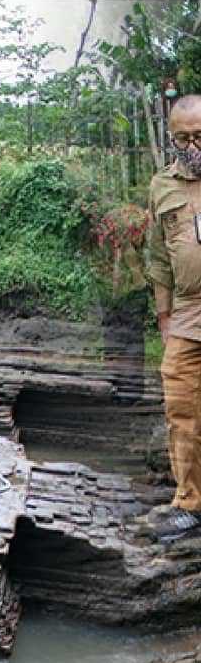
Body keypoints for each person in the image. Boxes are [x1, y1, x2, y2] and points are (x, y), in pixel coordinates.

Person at [148, 93, 201, 544]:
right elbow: (159, 259)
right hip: (187, 315)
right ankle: (189, 503)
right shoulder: (163, 186)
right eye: (183, 138)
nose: (193, 146)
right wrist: (164, 317)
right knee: (182, 410)